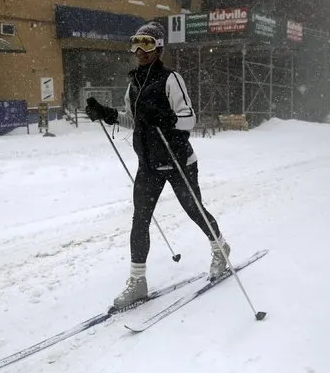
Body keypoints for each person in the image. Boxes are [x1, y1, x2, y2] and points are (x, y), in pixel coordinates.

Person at [85, 21, 231, 309]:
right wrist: (107, 114)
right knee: (140, 219)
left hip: (177, 161)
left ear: (159, 47)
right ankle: (138, 282)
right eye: (136, 44)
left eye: (148, 44)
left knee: (194, 210)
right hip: (149, 163)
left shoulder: (170, 78)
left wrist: (163, 119)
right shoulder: (134, 84)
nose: (140, 50)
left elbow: (189, 119)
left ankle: (221, 249)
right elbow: (134, 120)